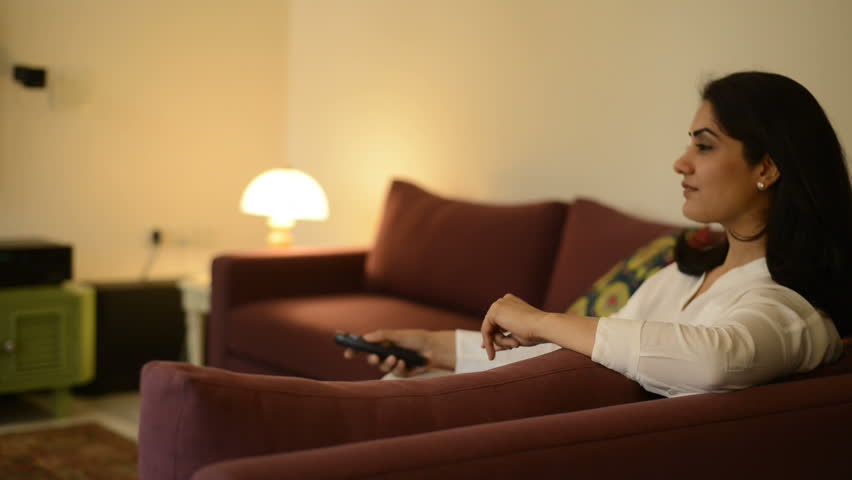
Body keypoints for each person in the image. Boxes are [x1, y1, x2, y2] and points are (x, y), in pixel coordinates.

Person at [343, 71, 852, 397]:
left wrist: (542, 320)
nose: (681, 163)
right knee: (405, 384)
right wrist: (433, 347)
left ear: (766, 166)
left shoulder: (790, 307)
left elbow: (713, 360)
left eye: (704, 146)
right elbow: (588, 350)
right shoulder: (679, 276)